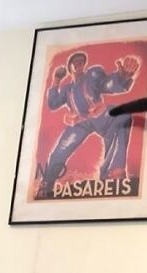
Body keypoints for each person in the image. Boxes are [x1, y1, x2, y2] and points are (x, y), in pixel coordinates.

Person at [37, 51, 140, 198]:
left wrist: (123, 76)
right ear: (69, 67)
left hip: (100, 115)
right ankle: (46, 184)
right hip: (79, 123)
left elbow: (107, 84)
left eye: (81, 61)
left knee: (121, 117)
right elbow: (53, 104)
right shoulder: (67, 89)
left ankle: (112, 173)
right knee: (60, 149)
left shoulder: (93, 74)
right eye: (75, 62)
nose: (79, 64)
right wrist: (56, 81)